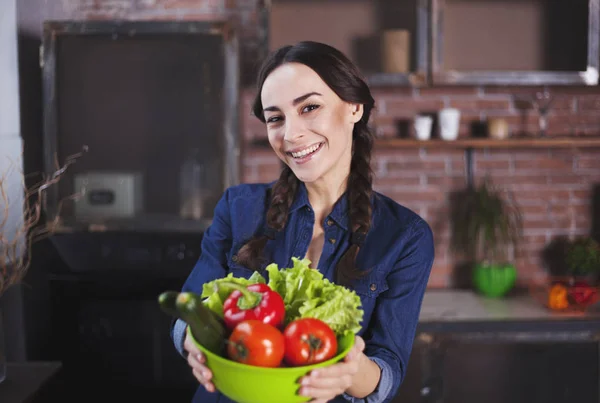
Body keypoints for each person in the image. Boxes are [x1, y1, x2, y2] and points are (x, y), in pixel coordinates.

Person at [171, 41, 434, 403]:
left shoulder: (405, 236)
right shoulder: (238, 207)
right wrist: (192, 342)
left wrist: (348, 369)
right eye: (275, 118)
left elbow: (386, 371)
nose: (290, 134)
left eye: (309, 107)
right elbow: (189, 310)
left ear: (354, 108)